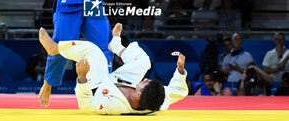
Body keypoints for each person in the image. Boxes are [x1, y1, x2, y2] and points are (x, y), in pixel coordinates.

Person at [38, 23, 188, 114]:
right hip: (122, 81)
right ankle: (115, 44)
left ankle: (55, 48)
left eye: (145, 83)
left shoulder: (114, 107)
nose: (145, 79)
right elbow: (179, 92)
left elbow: (85, 105)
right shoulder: (157, 99)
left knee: (94, 51)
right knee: (144, 61)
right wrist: (180, 69)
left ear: (139, 96)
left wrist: (82, 77)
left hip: (98, 85)